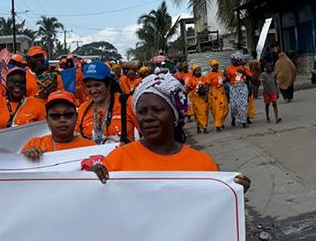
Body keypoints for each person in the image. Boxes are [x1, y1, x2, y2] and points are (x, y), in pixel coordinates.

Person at [88, 73, 250, 191]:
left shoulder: (203, 164)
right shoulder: (117, 160)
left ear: (175, 116)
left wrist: (232, 193)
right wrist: (88, 181)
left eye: (157, 110)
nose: (148, 117)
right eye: (142, 111)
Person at [21, 91, 97, 161]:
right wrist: (25, 158)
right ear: (47, 120)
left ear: (76, 117)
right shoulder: (34, 144)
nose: (62, 120)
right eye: (55, 116)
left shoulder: (91, 147)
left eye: (68, 115)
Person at [77, 61, 137, 144]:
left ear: (108, 84)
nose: (93, 91)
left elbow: (146, 135)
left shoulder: (127, 103)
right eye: (88, 86)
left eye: (97, 85)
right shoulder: (82, 110)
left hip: (125, 155)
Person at [225, 53, 251, 128]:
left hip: (242, 87)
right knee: (234, 106)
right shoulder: (229, 69)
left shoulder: (243, 67)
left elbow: (250, 77)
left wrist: (244, 72)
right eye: (231, 60)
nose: (232, 61)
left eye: (233, 60)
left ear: (238, 60)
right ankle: (233, 118)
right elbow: (228, 79)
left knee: (243, 105)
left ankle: (243, 122)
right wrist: (226, 76)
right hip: (233, 88)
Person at [186, 66, 210, 133]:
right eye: (196, 70)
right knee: (197, 113)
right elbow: (187, 88)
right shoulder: (191, 79)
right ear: (194, 72)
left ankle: (204, 126)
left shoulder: (204, 78)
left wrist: (206, 96)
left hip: (203, 98)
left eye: (199, 70)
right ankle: (199, 127)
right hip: (195, 99)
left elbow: (207, 87)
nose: (198, 71)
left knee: (204, 112)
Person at [207, 60, 229, 132]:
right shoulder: (210, 75)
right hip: (214, 92)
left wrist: (226, 76)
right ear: (212, 67)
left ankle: (220, 121)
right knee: (218, 109)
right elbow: (208, 85)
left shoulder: (220, 73)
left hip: (222, 92)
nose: (216, 66)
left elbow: (223, 81)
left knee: (226, 109)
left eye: (217, 65)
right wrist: (207, 96)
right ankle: (218, 125)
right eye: (214, 65)